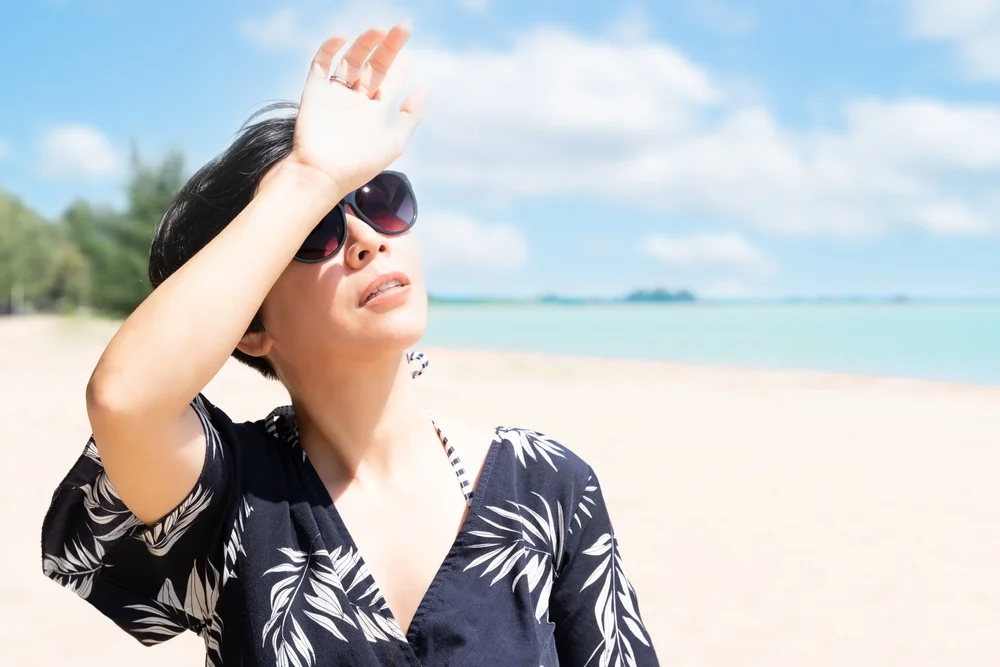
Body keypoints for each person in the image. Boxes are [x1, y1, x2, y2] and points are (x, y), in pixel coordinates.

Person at [40, 24, 660, 667]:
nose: (368, 237)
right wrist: (305, 177)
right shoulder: (233, 491)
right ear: (249, 326)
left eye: (381, 200)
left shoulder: (547, 486)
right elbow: (123, 398)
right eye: (315, 229)